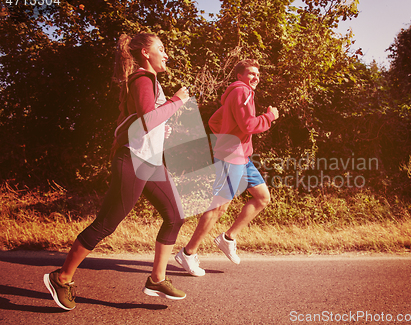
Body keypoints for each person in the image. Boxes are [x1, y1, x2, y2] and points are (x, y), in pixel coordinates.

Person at [43, 32, 190, 311]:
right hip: (134, 159)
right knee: (107, 224)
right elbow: (147, 119)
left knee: (175, 215)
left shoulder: (148, 80)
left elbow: (145, 119)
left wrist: (162, 126)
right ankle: (61, 278)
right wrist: (177, 101)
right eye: (161, 48)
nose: (166, 54)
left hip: (150, 159)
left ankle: (157, 279)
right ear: (146, 53)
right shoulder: (142, 78)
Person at [175, 59, 279, 276]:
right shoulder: (243, 92)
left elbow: (214, 121)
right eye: (250, 73)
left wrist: (229, 138)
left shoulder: (235, 93)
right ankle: (187, 253)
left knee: (262, 197)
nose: (255, 77)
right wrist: (269, 117)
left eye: (257, 74)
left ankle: (228, 238)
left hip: (243, 157)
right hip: (232, 158)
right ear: (239, 76)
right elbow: (248, 125)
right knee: (219, 207)